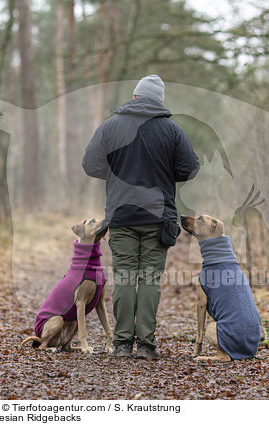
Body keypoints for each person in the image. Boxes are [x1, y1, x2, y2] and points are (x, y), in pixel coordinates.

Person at [82, 74, 199, 359]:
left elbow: (90, 164)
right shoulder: (172, 130)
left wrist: (115, 172)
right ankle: (146, 345)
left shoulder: (110, 127)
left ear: (135, 97)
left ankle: (122, 344)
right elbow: (189, 169)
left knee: (124, 277)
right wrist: (164, 172)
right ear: (159, 101)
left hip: (121, 216)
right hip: (158, 219)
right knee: (148, 279)